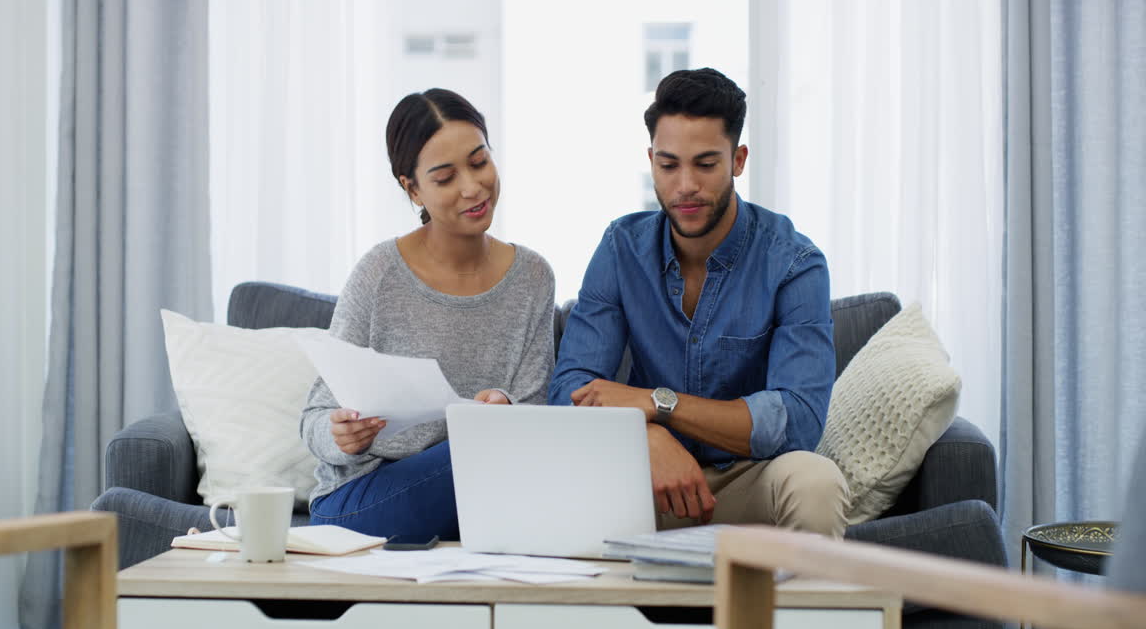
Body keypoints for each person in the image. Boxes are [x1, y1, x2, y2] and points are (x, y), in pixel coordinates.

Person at [548, 68, 848, 537]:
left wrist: (657, 405)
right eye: (668, 166)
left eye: (706, 164)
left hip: (747, 477)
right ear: (650, 160)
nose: (685, 185)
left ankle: (795, 614)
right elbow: (570, 390)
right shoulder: (621, 247)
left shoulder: (794, 262)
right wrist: (647, 434)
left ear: (738, 159)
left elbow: (798, 421)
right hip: (642, 477)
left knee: (816, 483)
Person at [301, 88, 555, 540]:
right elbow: (316, 416)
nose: (472, 188)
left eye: (479, 162)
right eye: (444, 178)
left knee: (513, 447)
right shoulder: (380, 272)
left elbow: (535, 407)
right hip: (360, 500)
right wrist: (340, 436)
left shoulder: (533, 276)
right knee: (489, 451)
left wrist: (508, 409)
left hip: (484, 483)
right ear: (412, 188)